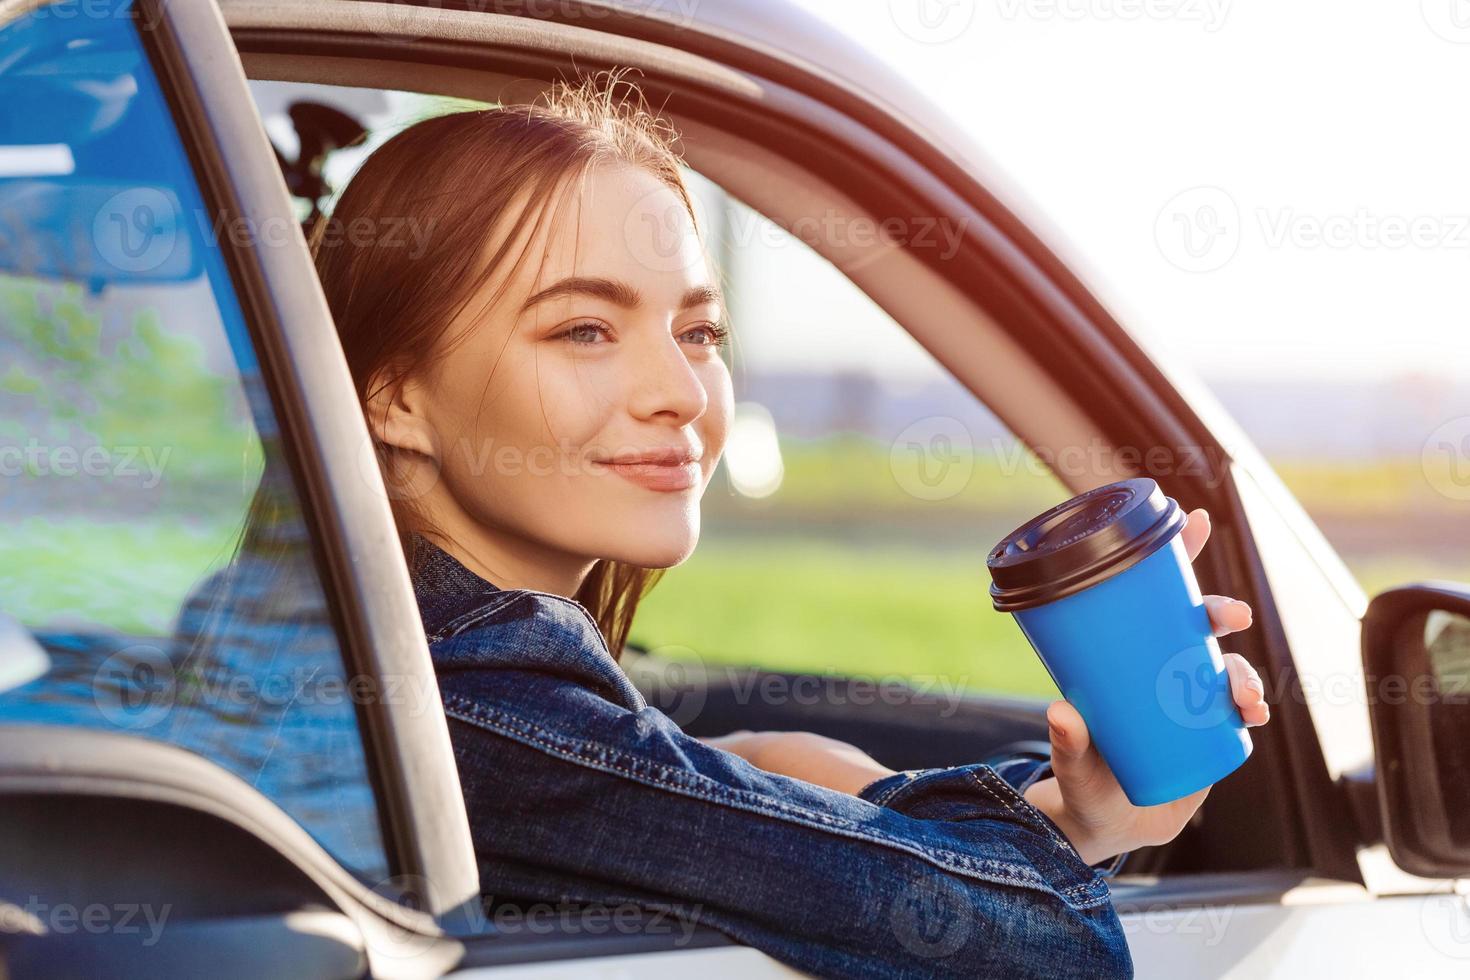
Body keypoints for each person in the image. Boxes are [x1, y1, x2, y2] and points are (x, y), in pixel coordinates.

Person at [309, 69, 1270, 979]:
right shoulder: (475, 703)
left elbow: (723, 815)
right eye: (584, 331)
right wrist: (816, 781)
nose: (681, 393)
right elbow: (1031, 946)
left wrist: (1075, 814)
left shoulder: (387, 671)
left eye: (698, 333)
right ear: (392, 398)